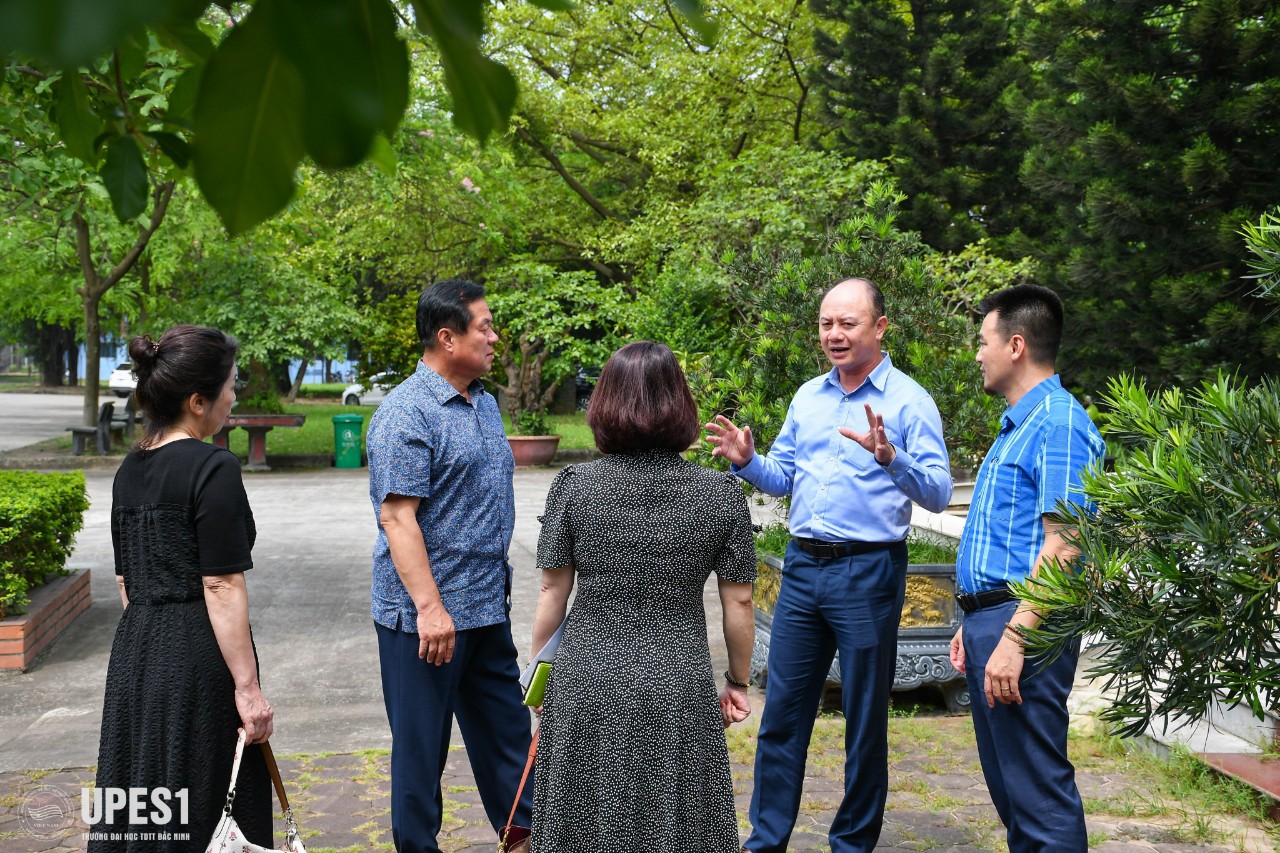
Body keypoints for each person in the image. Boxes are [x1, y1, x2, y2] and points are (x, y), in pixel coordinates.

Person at [705, 277, 953, 853]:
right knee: (783, 715)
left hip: (868, 571)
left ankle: (852, 843)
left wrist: (892, 458)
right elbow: (785, 477)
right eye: (826, 324)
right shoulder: (807, 397)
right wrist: (748, 462)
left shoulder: (910, 402)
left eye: (848, 323)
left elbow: (939, 492)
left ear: (880, 328)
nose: (834, 335)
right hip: (802, 568)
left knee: (864, 720)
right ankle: (765, 840)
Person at [529, 340, 756, 853]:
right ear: (681, 404)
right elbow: (738, 604)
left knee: (583, 825)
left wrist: (542, 683)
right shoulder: (720, 494)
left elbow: (552, 591)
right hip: (679, 684)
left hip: (587, 680)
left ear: (604, 403)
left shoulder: (574, 486)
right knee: (678, 824)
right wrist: (737, 681)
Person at [366, 279, 533, 853]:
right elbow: (397, 520)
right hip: (425, 622)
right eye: (483, 327)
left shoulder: (483, 402)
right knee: (421, 754)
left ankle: (523, 840)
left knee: (509, 738)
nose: (493, 337)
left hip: (486, 606)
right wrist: (430, 609)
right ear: (447, 337)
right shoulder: (404, 413)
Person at [92, 325, 274, 852]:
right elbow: (219, 584)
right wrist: (247, 687)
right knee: (204, 797)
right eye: (230, 386)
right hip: (196, 654)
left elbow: (128, 580)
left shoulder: (130, 468)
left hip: (136, 652)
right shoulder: (213, 466)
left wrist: (150, 639)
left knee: (144, 793)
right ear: (198, 401)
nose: (234, 396)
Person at [947, 285, 1104, 852]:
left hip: (1025, 629)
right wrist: (976, 617)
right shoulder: (1022, 423)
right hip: (1000, 620)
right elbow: (1008, 540)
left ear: (1016, 345)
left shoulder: (1059, 423)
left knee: (1037, 794)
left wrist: (1014, 635)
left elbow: (1066, 546)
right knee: (1015, 794)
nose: (977, 353)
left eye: (983, 341)